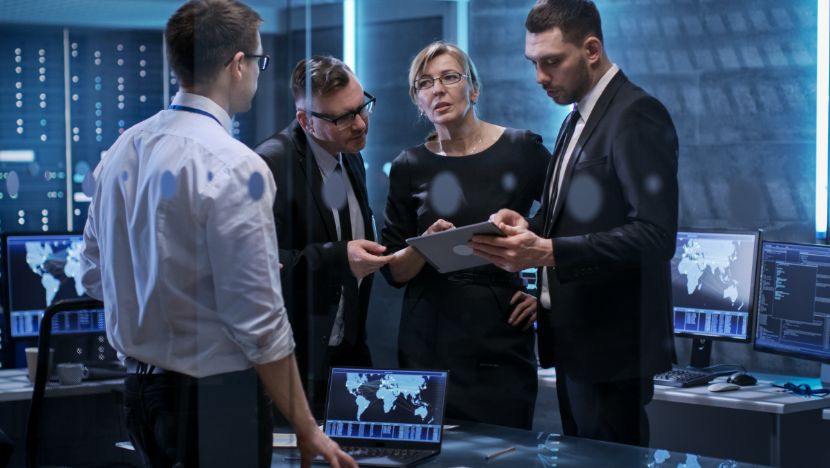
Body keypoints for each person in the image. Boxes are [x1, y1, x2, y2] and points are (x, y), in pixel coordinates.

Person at [79, 2, 355, 467]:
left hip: (140, 395)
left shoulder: (121, 150)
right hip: (215, 401)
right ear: (238, 64)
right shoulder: (234, 165)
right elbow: (260, 318)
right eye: (259, 61)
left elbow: (91, 275)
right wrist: (307, 427)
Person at [470, 0, 678, 447]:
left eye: (551, 62)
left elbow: (656, 237)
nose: (540, 77)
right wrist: (530, 226)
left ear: (591, 49)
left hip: (612, 351)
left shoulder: (637, 114)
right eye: (533, 63)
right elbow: (578, 214)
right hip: (577, 343)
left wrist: (548, 251)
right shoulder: (576, 118)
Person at [380, 41, 549, 429]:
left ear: (473, 89)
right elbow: (393, 271)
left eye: (449, 77)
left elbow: (568, 222)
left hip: (500, 331)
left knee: (506, 450)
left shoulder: (522, 149)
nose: (437, 89)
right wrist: (424, 246)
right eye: (424, 83)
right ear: (417, 101)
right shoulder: (408, 165)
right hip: (428, 335)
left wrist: (545, 293)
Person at [254, 56, 392, 417]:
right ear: (306, 121)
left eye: (363, 107)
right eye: (343, 117)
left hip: (348, 355)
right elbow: (261, 267)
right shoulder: (270, 164)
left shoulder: (351, 154)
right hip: (294, 363)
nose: (361, 124)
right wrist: (338, 257)